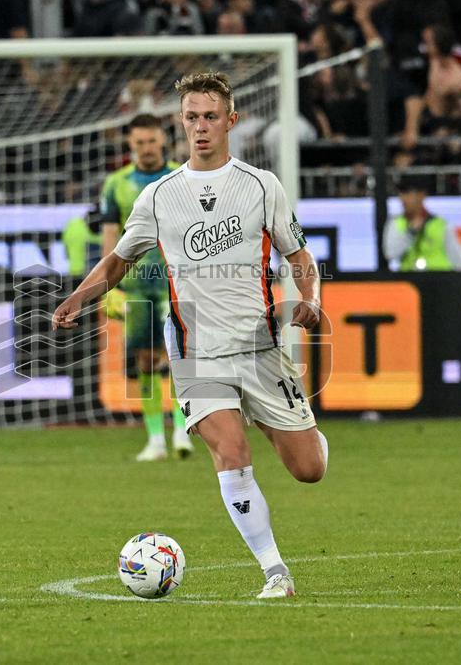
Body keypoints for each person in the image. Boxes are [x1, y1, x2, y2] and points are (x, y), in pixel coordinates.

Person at [53, 72, 328, 598]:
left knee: (308, 469)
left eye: (209, 116)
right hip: (194, 347)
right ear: (181, 122)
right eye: (191, 117)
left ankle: (296, 433)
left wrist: (311, 301)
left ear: (230, 120)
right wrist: (77, 298)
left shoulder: (260, 185)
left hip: (259, 345)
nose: (200, 127)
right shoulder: (158, 197)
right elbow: (117, 261)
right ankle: (276, 573)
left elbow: (299, 256)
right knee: (230, 452)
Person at [100, 113, 193, 462]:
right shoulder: (116, 184)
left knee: (181, 355)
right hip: (136, 285)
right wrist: (107, 286)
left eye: (152, 141)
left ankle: (183, 430)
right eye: (140, 142)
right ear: (130, 144)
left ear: (163, 141)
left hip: (176, 281)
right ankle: (155, 439)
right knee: (145, 360)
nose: (147, 148)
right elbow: (110, 236)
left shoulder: (181, 177)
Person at [383, 174, 461, 271]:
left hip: (441, 280)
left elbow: (457, 260)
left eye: (408, 193)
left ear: (421, 195)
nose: (403, 199)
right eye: (401, 193)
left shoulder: (441, 224)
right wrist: (410, 232)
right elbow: (390, 253)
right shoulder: (396, 223)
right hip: (410, 282)